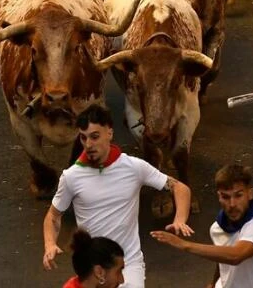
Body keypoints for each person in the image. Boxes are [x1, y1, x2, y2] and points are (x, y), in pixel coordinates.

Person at [43, 104, 193, 288]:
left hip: (128, 264)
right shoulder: (71, 176)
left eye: (94, 136)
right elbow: (53, 216)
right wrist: (50, 245)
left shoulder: (134, 167)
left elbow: (179, 188)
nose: (88, 144)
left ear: (110, 133)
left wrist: (180, 219)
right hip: (94, 267)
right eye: (83, 138)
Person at [150, 164, 253, 288]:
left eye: (238, 195)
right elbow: (223, 257)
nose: (232, 204)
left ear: (250, 194)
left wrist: (184, 245)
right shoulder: (217, 228)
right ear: (219, 197)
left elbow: (235, 255)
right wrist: (214, 282)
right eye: (226, 197)